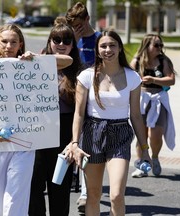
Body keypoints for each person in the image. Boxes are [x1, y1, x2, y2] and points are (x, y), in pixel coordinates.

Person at [0, 23, 73, 216]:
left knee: (15, 199)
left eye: (13, 42)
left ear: (20, 44)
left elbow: (68, 60)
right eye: (4, 41)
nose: (8, 46)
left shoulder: (31, 67)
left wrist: (37, 58)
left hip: (24, 145)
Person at [65, 30, 152, 215]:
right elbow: (79, 114)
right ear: (97, 50)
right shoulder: (87, 76)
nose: (108, 49)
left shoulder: (132, 77)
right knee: (94, 195)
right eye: (103, 46)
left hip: (120, 134)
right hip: (92, 134)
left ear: (120, 48)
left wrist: (144, 149)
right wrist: (74, 143)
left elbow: (136, 116)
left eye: (112, 45)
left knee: (116, 195)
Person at [28, 23, 82, 216]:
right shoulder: (36, 65)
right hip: (38, 132)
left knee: (59, 187)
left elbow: (81, 113)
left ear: (73, 45)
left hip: (64, 133)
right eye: (56, 40)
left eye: (66, 40)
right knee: (33, 186)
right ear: (49, 42)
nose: (61, 43)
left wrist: (74, 143)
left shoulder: (77, 72)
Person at [65, 2, 101, 211]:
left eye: (79, 25)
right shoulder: (71, 40)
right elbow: (67, 63)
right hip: (74, 96)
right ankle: (75, 180)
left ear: (87, 20)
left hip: (93, 98)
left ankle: (86, 192)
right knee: (73, 140)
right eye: (73, 26)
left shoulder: (99, 39)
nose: (76, 29)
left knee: (88, 145)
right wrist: (75, 42)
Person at [130, 34, 176, 178]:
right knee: (141, 134)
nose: (159, 48)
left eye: (161, 45)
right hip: (141, 98)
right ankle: (142, 164)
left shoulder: (163, 61)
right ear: (146, 46)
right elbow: (128, 77)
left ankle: (154, 157)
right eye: (156, 45)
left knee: (155, 134)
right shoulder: (137, 61)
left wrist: (154, 80)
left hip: (158, 99)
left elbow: (171, 80)